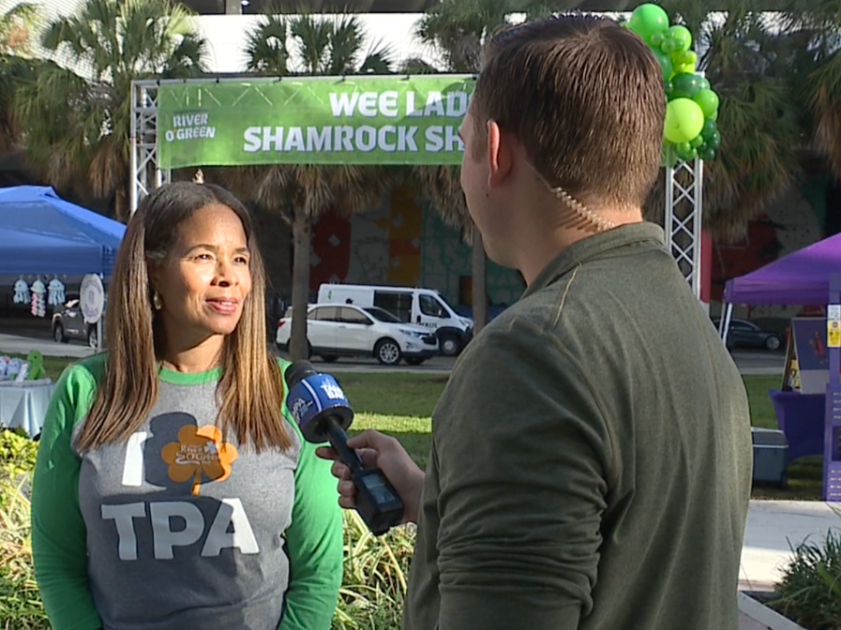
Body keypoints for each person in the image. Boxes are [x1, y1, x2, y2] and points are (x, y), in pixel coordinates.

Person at [321, 14, 752, 630]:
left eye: (463, 141)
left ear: (494, 153)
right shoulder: (682, 316)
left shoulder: (532, 355)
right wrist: (434, 499)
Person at [32, 182, 344, 630]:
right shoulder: (85, 388)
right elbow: (56, 557)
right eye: (203, 256)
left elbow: (318, 570)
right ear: (153, 270)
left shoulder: (292, 394)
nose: (228, 275)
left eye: (239, 258)